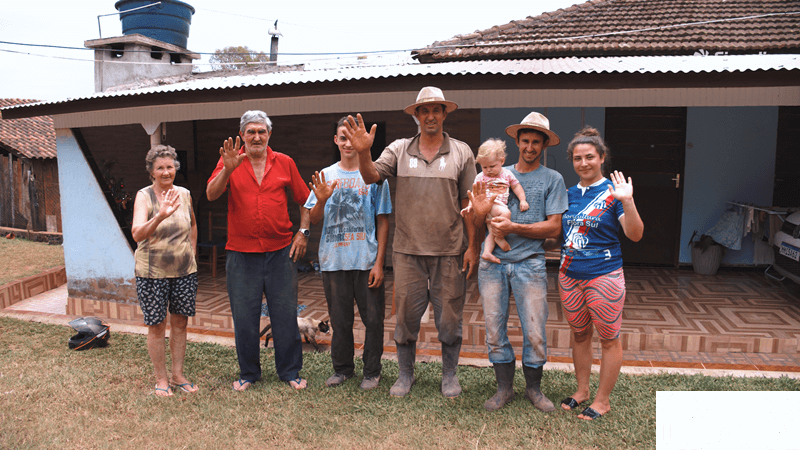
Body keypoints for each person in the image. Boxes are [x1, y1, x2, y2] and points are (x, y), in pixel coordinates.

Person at [341, 86, 478, 398]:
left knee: (450, 319)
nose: (430, 116)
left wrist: (472, 246)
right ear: (416, 115)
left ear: (444, 114)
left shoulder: (462, 152)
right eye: (424, 110)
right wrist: (363, 152)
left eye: (436, 110)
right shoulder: (399, 150)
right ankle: (406, 374)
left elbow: (469, 204)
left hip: (450, 252)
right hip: (407, 252)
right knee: (405, 318)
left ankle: (449, 375)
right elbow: (370, 176)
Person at [468, 112, 567, 412]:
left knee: (535, 330)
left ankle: (534, 389)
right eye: (525, 141)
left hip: (530, 262)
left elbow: (554, 227)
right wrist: (478, 214)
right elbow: (477, 220)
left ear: (544, 145)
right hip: (493, 264)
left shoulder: (553, 179)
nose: (530, 147)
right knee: (494, 328)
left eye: (536, 142)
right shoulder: (493, 170)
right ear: (517, 142)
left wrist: (514, 228)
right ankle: (504, 388)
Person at [206, 110, 311, 391]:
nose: (256, 137)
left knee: (284, 314)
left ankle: (290, 371)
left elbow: (305, 199)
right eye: (250, 131)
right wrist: (227, 169)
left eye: (261, 131)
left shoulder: (285, 162)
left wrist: (303, 232)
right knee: (244, 316)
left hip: (281, 253)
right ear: (242, 135)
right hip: (241, 254)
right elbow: (211, 194)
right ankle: (249, 373)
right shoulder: (230, 161)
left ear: (269, 134)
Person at [555, 127, 643, 421]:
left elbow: (635, 234)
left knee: (608, 339)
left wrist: (628, 201)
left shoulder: (614, 193)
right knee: (580, 334)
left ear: (602, 157)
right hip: (569, 277)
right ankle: (582, 391)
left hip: (604, 277)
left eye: (590, 157)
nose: (584, 163)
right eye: (577, 158)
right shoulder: (568, 194)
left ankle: (602, 401)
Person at [304, 116, 392, 391]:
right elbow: (314, 218)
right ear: (336, 140)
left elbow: (383, 220)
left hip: (366, 261)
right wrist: (321, 200)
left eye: (353, 138)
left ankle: (372, 372)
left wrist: (379, 263)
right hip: (334, 261)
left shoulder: (375, 176)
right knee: (340, 321)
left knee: (373, 321)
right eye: (343, 137)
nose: (348, 143)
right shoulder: (326, 175)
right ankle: (342, 369)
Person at [131, 145, 199, 397]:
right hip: (152, 274)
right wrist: (159, 216)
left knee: (180, 323)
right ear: (151, 171)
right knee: (157, 325)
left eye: (170, 167)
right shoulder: (144, 196)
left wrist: (192, 253)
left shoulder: (184, 194)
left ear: (175, 168)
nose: (166, 172)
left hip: (184, 272)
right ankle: (161, 379)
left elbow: (193, 225)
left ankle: (178, 375)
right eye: (160, 168)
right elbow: (137, 234)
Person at [469, 138, 528, 263]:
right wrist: (470, 206)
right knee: (506, 213)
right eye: (484, 167)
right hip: (490, 205)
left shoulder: (507, 174)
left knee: (492, 230)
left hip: (496, 209)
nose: (488, 170)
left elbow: (516, 187)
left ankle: (487, 252)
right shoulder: (480, 177)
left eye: (492, 166)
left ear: (502, 161)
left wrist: (523, 200)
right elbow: (474, 193)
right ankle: (499, 237)